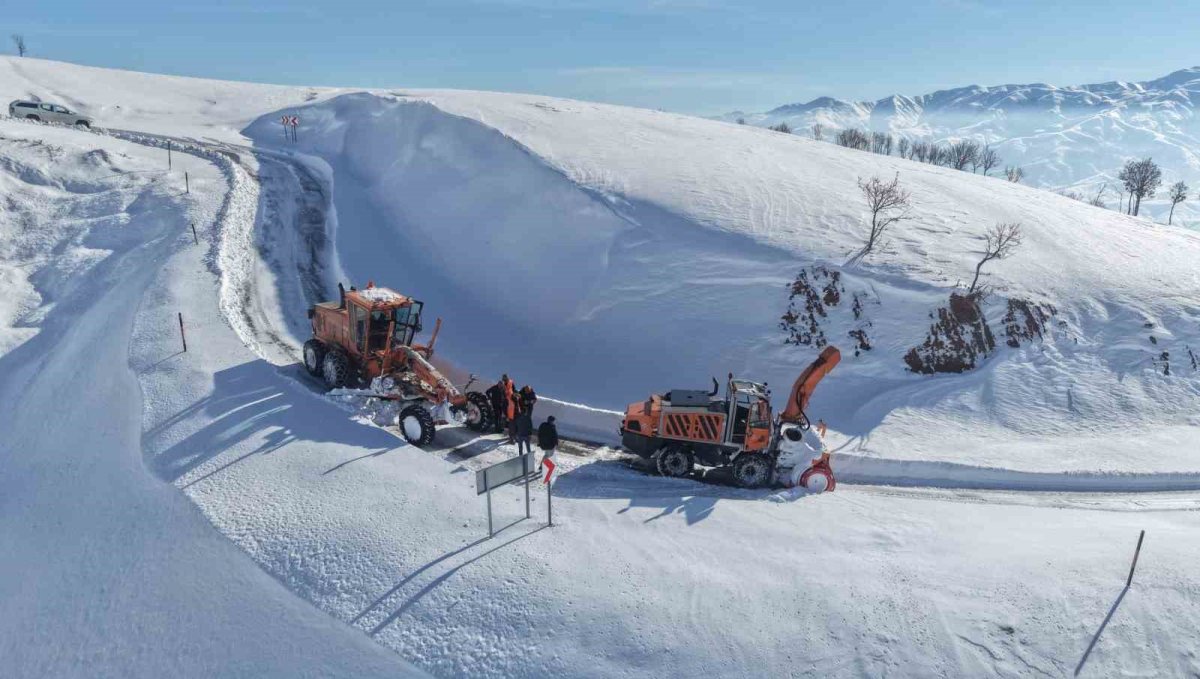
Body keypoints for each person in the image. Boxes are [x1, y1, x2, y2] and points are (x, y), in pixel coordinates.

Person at [537, 415, 559, 483]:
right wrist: (556, 443)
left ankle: (541, 466)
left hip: (544, 444)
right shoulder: (552, 427)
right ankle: (546, 467)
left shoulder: (542, 425)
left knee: (546, 455)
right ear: (552, 421)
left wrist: (540, 442)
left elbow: (539, 434)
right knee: (550, 456)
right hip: (551, 445)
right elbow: (555, 436)